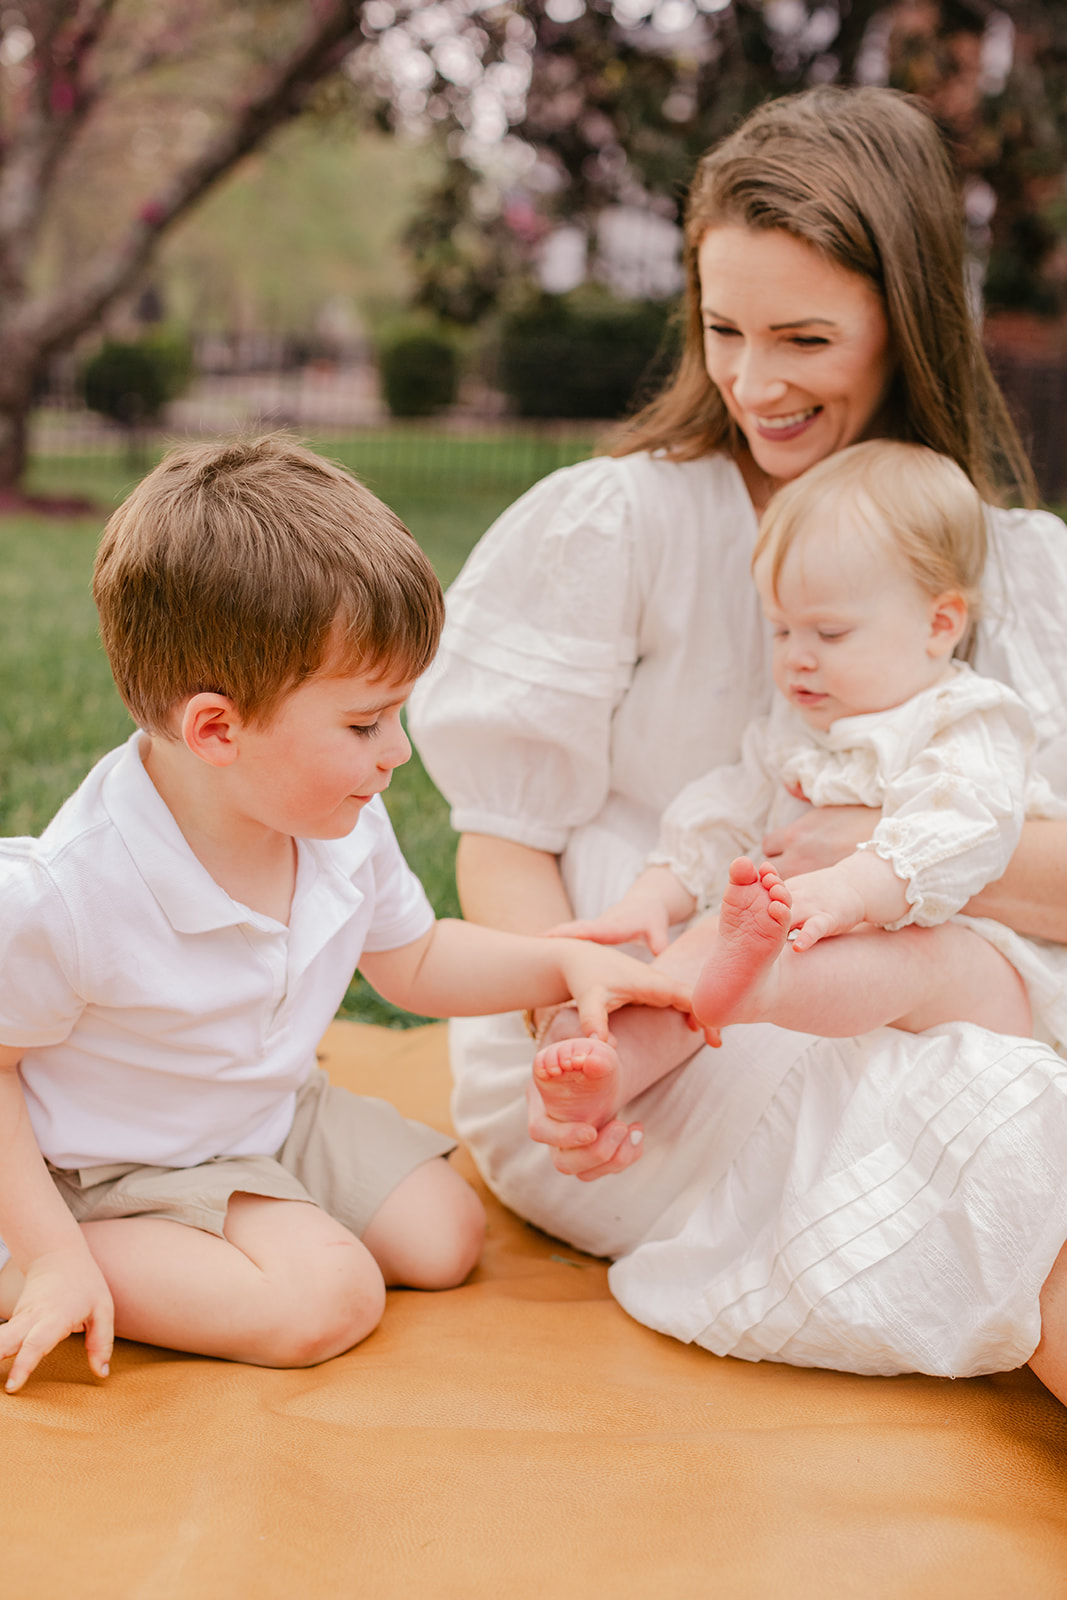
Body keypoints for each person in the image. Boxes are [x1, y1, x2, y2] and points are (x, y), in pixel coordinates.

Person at [408, 86, 1067, 1393]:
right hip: (634, 1062)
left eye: (804, 338)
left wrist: (856, 855)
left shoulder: (1008, 569)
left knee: (979, 1097)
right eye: (721, 329)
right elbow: (506, 838)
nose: (751, 382)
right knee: (991, 1145)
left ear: (905, 324)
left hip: (934, 999)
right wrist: (566, 1007)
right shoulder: (617, 527)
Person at [0, 435, 692, 1396]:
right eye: (365, 722)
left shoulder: (330, 821)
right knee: (327, 1300)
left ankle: (215, 1219)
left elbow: (413, 960)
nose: (396, 752)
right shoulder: (69, 894)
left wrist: (563, 966)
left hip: (265, 1115)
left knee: (445, 1236)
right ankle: (30, 1264)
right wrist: (49, 1254)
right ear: (217, 729)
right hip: (108, 1166)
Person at [535, 439, 1067, 1132]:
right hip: (821, 941)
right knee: (701, 943)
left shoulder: (967, 718)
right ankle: (609, 1072)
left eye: (829, 632)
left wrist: (851, 888)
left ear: (939, 624)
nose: (796, 658)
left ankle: (767, 985)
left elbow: (965, 820)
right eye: (781, 630)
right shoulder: (799, 730)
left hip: (992, 975)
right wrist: (652, 896)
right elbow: (726, 809)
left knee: (915, 958)